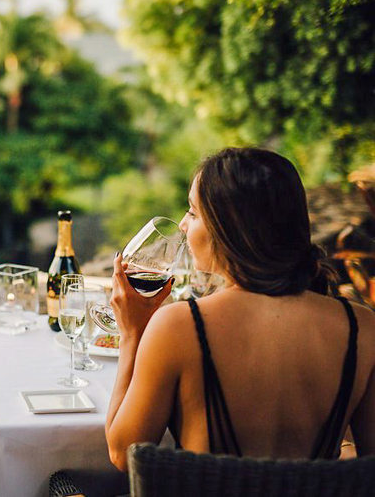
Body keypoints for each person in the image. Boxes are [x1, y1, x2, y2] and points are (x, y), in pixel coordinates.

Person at [103, 147, 375, 471]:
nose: (182, 225)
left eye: (192, 212)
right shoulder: (363, 327)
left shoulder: (181, 325)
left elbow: (124, 455)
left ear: (228, 227)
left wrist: (133, 334)